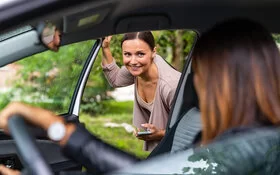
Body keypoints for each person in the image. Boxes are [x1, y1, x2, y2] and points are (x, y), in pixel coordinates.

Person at [1, 18, 280, 174]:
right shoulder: (223, 141)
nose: (198, 84)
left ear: (230, 81)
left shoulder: (254, 150)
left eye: (205, 74)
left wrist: (57, 127)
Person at [101, 32, 181, 151]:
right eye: (127, 54)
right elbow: (116, 79)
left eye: (140, 54)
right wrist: (105, 47)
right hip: (163, 151)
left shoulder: (171, 87)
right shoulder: (137, 69)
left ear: (154, 52)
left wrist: (159, 134)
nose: (133, 61)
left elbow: (189, 128)